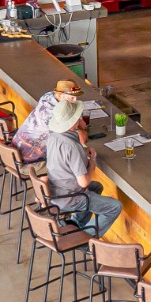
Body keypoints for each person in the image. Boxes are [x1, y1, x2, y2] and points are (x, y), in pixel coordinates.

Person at [41, 93, 121, 238]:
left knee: (96, 187)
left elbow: (64, 159)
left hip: (55, 190)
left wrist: (83, 149)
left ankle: (75, 223)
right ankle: (85, 239)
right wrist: (92, 163)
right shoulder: (72, 146)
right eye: (78, 117)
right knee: (115, 207)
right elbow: (83, 182)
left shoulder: (53, 136)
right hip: (70, 197)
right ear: (73, 122)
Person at [11, 78, 81, 163]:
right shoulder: (51, 115)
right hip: (29, 157)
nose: (75, 100)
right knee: (71, 161)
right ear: (60, 95)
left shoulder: (49, 96)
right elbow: (78, 135)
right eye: (71, 98)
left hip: (15, 149)